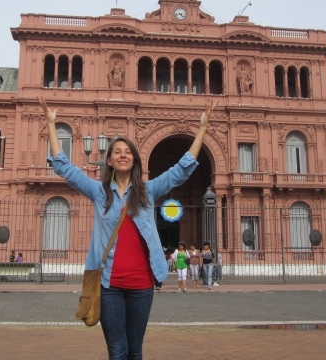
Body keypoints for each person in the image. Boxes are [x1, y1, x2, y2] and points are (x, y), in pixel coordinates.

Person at [41, 96, 215, 360]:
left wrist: (202, 128)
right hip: (109, 284)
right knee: (117, 351)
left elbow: (181, 170)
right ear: (109, 161)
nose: (123, 155)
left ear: (134, 160)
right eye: (117, 152)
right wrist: (52, 125)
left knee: (135, 351)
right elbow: (65, 168)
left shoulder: (147, 191)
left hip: (142, 284)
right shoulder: (99, 193)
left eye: (128, 152)